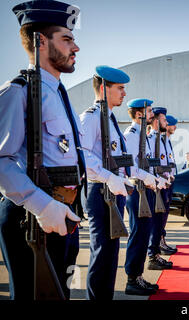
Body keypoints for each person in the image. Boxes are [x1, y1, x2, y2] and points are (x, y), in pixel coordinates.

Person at [0, 0, 83, 300]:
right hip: (32, 215)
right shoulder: (18, 91)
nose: (76, 48)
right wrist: (42, 206)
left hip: (63, 211)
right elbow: (2, 161)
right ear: (41, 41)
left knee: (61, 291)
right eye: (67, 39)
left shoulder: (58, 94)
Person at [80, 65, 134, 300]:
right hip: (100, 190)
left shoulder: (110, 120)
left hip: (114, 190)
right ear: (104, 87)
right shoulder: (90, 117)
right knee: (101, 251)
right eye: (120, 88)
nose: (124, 93)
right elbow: (81, 153)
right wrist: (108, 177)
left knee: (111, 252)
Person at [123, 98, 160, 296]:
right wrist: (150, 178)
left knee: (144, 233)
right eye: (149, 111)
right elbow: (130, 168)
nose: (152, 114)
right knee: (138, 234)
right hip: (137, 190)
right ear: (139, 114)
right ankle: (132, 279)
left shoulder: (141, 135)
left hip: (145, 190)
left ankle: (138, 275)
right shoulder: (131, 135)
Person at [147, 107, 176, 269]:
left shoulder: (163, 139)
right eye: (164, 120)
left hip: (165, 183)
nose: (167, 122)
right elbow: (151, 163)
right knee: (156, 222)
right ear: (157, 121)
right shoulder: (151, 139)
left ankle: (156, 252)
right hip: (157, 185)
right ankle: (153, 255)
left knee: (161, 222)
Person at [160, 114, 178, 254]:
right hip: (163, 183)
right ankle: (159, 243)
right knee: (160, 215)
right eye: (172, 124)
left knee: (164, 214)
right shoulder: (159, 140)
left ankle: (162, 241)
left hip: (169, 182)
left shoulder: (167, 140)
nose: (175, 127)